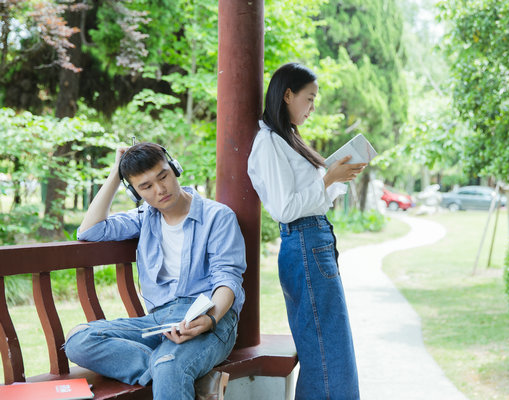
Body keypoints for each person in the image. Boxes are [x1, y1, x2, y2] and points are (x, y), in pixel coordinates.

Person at [64, 142, 246, 400]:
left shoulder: (217, 216)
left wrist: (211, 318)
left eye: (164, 177)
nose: (160, 190)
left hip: (209, 316)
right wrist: (116, 172)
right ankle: (188, 377)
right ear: (135, 192)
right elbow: (89, 230)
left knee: (169, 364)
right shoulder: (143, 217)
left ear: (174, 169)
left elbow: (227, 279)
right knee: (79, 341)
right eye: (146, 186)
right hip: (160, 321)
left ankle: (172, 369)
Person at [247, 62, 365, 400]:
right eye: (309, 99)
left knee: (331, 350)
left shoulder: (289, 139)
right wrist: (327, 178)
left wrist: (334, 177)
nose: (312, 108)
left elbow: (309, 199)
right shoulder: (268, 142)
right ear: (287, 95)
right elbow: (285, 209)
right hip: (303, 241)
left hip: (315, 241)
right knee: (326, 355)